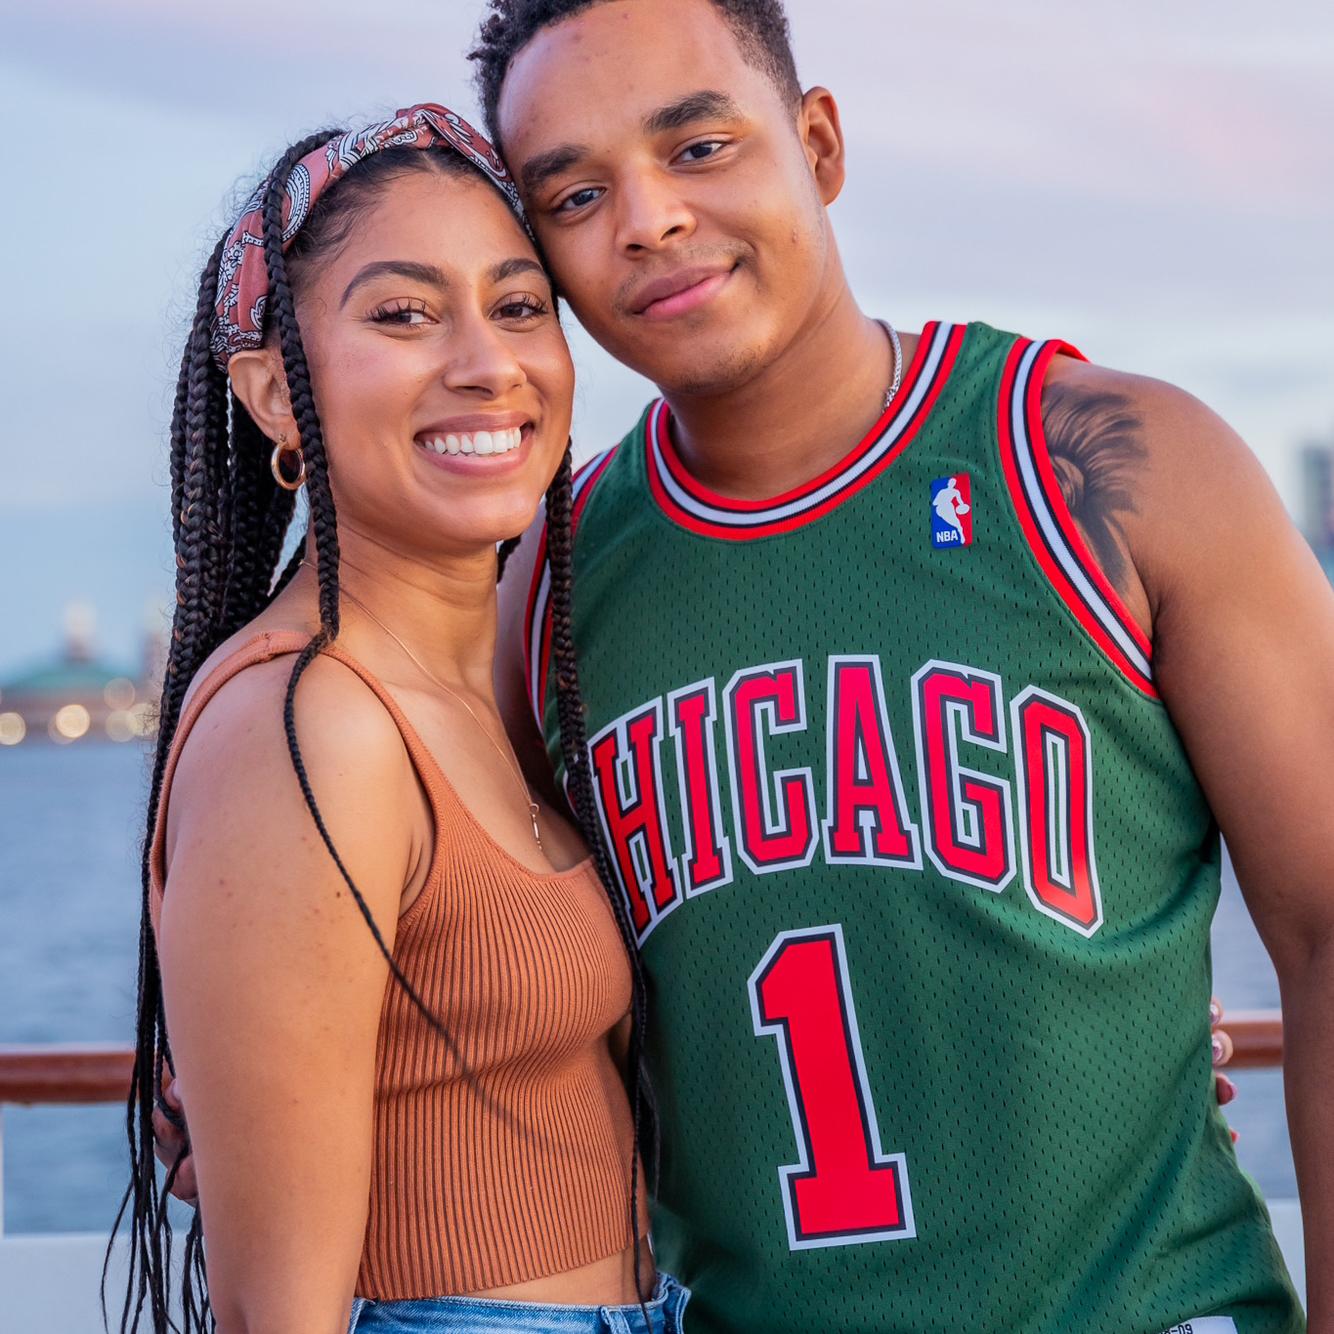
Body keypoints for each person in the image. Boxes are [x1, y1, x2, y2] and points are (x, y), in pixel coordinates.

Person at [465, 1, 1330, 1331]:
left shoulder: (1108, 468)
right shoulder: (552, 585)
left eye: (697, 147)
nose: (646, 219)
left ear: (815, 145)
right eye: (575, 192)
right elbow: (483, 985)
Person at [120, 104, 687, 1334]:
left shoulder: (489, 686)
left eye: (519, 304)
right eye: (402, 313)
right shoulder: (312, 724)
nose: (487, 361)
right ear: (274, 392)